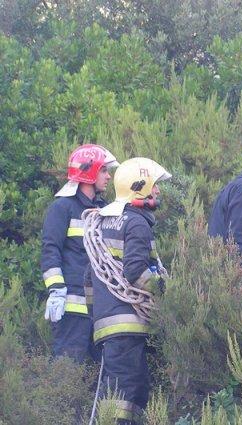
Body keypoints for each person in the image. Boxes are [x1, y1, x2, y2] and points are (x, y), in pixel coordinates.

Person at [85, 157, 171, 424]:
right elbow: (135, 271)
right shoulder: (136, 223)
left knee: (122, 390)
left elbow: (89, 275)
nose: (157, 190)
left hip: (108, 324)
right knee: (127, 392)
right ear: (139, 186)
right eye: (154, 185)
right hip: (128, 324)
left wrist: (96, 316)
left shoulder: (102, 222)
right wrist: (166, 292)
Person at [41, 144, 119, 363]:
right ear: (89, 172)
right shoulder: (62, 208)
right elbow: (50, 250)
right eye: (104, 170)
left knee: (101, 373)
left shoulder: (104, 210)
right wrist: (56, 290)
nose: (109, 176)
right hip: (71, 309)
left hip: (100, 309)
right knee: (67, 370)